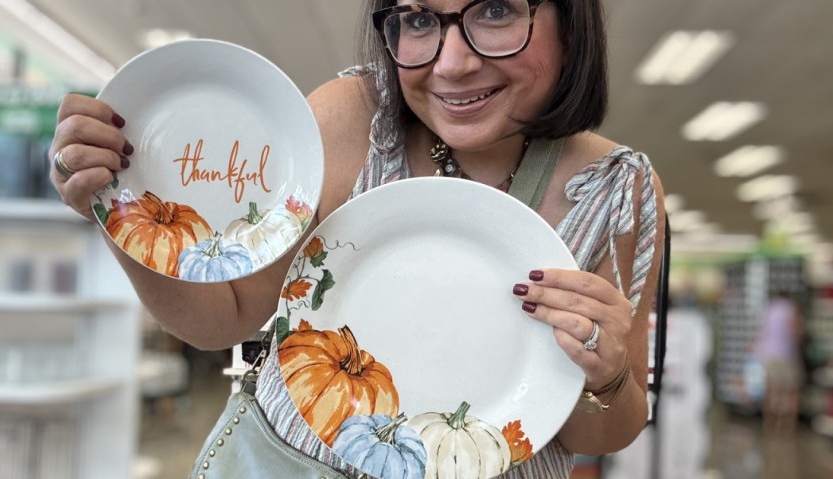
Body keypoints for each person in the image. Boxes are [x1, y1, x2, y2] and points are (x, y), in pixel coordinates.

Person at [48, 0, 665, 477]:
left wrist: (607, 374)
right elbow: (225, 320)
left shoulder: (617, 192)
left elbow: (601, 433)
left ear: (571, 20)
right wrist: (123, 216)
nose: (452, 63)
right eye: (418, 19)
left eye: (496, 10)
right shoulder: (351, 121)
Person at [751, 291, 805, 436]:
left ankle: (769, 423)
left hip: (769, 355)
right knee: (791, 392)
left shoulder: (768, 308)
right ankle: (787, 425)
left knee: (771, 390)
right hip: (787, 355)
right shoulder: (791, 308)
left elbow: (761, 333)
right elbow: (796, 331)